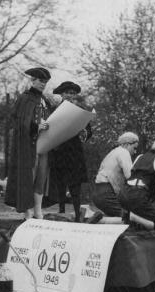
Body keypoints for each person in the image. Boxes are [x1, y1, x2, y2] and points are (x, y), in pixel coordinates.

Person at [5, 67, 53, 219]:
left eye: (45, 82)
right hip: (28, 144)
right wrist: (36, 127)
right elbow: (20, 122)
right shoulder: (24, 98)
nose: (43, 84)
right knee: (28, 177)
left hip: (44, 145)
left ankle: (38, 210)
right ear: (33, 80)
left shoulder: (45, 100)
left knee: (41, 177)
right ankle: (28, 212)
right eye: (40, 81)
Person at [48, 81, 92, 222]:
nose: (70, 96)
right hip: (59, 151)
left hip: (74, 152)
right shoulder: (54, 110)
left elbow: (89, 131)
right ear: (61, 94)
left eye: (72, 93)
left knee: (75, 185)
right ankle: (61, 211)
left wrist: (84, 132)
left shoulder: (80, 110)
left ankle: (78, 213)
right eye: (67, 93)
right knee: (60, 183)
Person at [92, 132, 139, 217]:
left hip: (97, 192)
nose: (135, 152)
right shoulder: (124, 152)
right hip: (106, 193)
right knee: (127, 217)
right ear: (127, 144)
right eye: (134, 148)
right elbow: (130, 176)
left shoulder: (113, 152)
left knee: (117, 217)